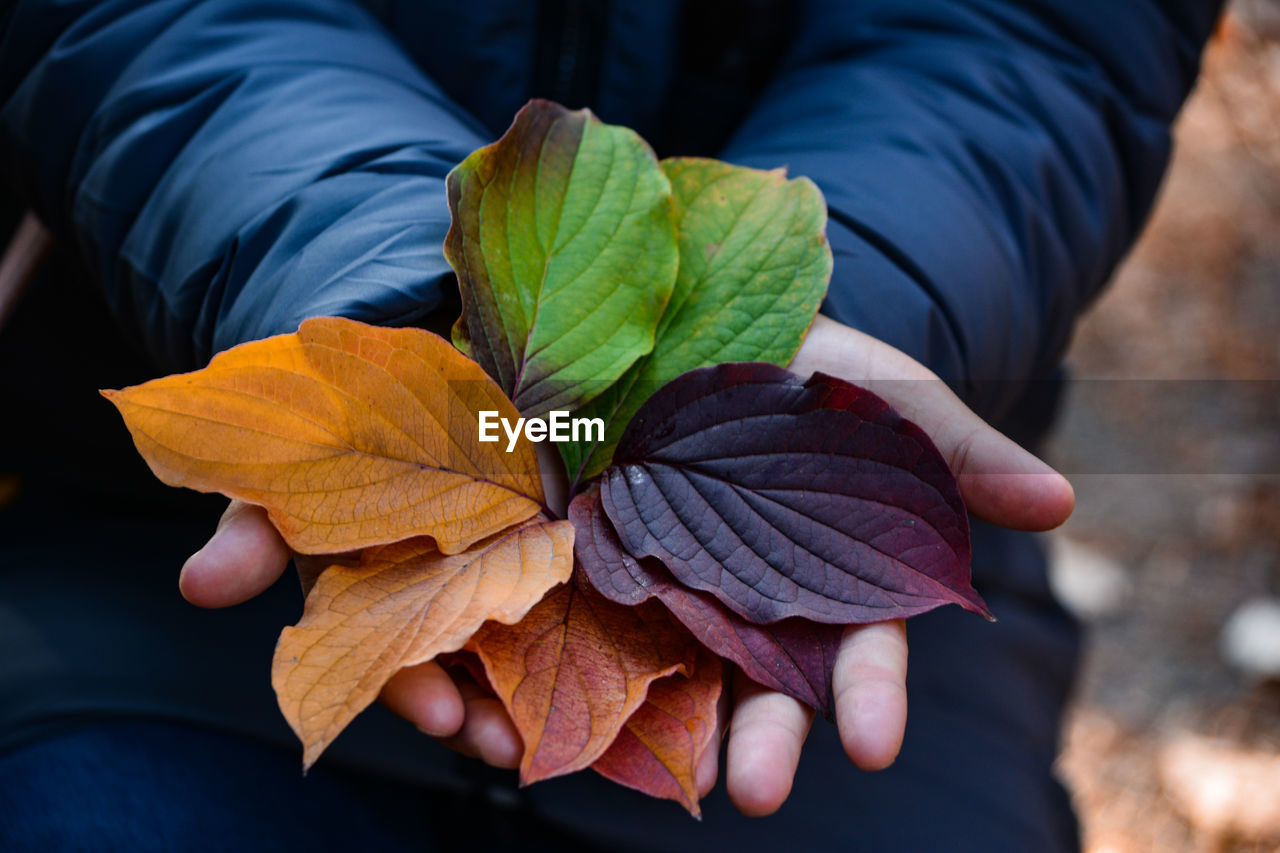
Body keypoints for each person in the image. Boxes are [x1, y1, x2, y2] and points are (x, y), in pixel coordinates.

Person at [0, 1, 1222, 850]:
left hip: (756, 605)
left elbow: (1031, 43)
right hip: (140, 540)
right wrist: (398, 287)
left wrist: (820, 325)